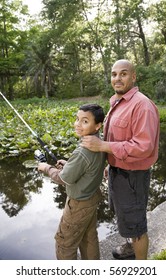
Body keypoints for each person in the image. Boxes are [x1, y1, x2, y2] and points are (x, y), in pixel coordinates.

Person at [81, 59, 160, 260]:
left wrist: (103, 146)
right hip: (118, 171)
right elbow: (120, 138)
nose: (117, 78)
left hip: (133, 176)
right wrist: (110, 163)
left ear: (133, 77)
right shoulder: (116, 102)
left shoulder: (142, 105)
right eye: (114, 74)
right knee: (124, 215)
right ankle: (130, 245)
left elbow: (144, 147)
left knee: (137, 224)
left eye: (123, 74)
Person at [38, 104, 106, 260]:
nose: (77, 124)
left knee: (64, 244)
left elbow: (62, 178)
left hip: (78, 205)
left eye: (84, 121)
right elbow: (87, 167)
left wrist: (46, 168)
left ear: (97, 125)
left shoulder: (82, 151)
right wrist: (68, 164)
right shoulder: (99, 142)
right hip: (92, 198)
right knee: (89, 238)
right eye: (77, 119)